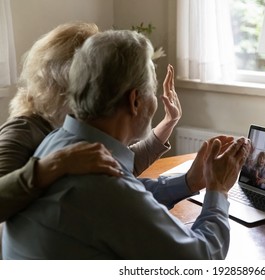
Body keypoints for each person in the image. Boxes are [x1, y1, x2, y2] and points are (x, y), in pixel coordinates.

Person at [2, 29, 250, 259]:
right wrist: (218, 190)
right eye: (152, 92)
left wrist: (189, 182)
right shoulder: (106, 188)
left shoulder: (58, 142)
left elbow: (126, 195)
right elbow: (200, 259)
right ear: (135, 101)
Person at [0, 23, 181, 257]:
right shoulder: (24, 128)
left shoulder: (79, 124)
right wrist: (53, 165)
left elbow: (109, 166)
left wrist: (165, 126)